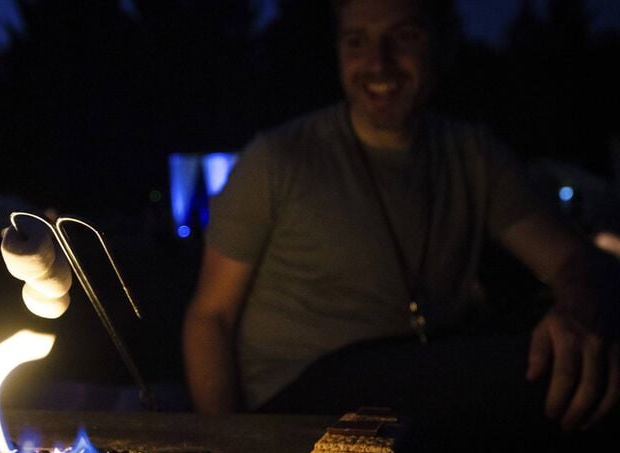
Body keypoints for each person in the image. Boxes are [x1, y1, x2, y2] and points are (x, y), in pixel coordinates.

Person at [182, 0, 620, 428]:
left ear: (442, 44)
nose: (379, 63)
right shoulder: (278, 159)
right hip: (299, 397)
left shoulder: (474, 155)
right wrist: (230, 449)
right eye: (357, 41)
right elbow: (211, 317)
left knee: (577, 363)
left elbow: (574, 260)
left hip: (425, 375)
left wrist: (577, 313)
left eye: (404, 35)